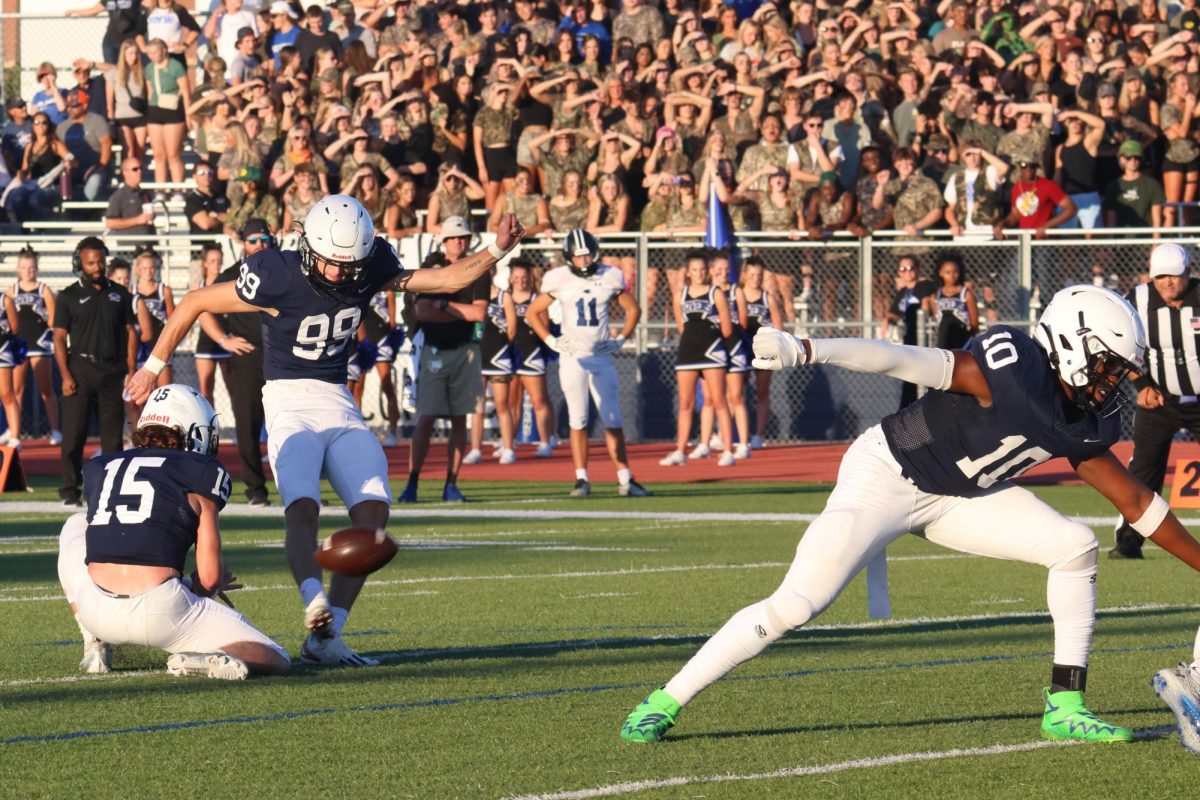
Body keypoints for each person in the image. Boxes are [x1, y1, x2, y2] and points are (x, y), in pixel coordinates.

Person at [620, 284, 1200, 746]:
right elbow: (902, 358)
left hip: (960, 496)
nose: (1113, 381)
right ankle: (665, 699)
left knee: (1074, 544)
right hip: (887, 476)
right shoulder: (1008, 368)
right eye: (1107, 365)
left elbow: (1137, 504)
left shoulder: (1081, 417)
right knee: (796, 604)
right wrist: (806, 347)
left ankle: (1066, 706)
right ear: (1072, 345)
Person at [126, 198, 526, 666]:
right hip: (288, 401)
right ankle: (313, 599)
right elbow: (195, 301)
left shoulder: (369, 261)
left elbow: (444, 279)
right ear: (309, 245)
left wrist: (497, 249)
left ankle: (327, 635)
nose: (340, 273)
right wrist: (154, 366)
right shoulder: (276, 272)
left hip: (339, 399)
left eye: (348, 264)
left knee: (374, 512)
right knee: (302, 508)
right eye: (332, 262)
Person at [56, 383, 289, 679]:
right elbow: (209, 579)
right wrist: (201, 589)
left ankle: (93, 642)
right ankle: (201, 659)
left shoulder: (101, 466)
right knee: (277, 659)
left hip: (94, 608)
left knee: (75, 524)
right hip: (160, 613)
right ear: (192, 430)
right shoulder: (201, 472)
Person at [524, 230, 649, 497]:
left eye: (587, 255)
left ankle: (625, 478)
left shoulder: (610, 275)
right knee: (578, 418)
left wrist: (621, 339)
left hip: (601, 356)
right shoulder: (558, 279)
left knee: (612, 418)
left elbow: (633, 309)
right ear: (569, 256)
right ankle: (581, 478)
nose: (583, 261)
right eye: (578, 256)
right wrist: (551, 341)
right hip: (573, 357)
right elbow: (533, 311)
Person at [1112, 244, 1200, 559]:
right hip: (1159, 401)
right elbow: (1117, 345)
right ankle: (1128, 542)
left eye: (1174, 276)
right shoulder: (1137, 300)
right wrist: (1142, 385)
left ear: (1188, 274)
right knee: (1143, 471)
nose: (1167, 283)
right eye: (1160, 277)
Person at [398, 216, 491, 504]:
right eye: (453, 237)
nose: (458, 242)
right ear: (445, 241)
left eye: (462, 237)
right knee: (425, 418)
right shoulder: (432, 267)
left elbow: (479, 314)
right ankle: (412, 481)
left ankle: (451, 482)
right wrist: (451, 309)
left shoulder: (478, 269)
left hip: (465, 349)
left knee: (459, 418)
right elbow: (423, 310)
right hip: (434, 348)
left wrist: (444, 304)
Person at [54, 237, 138, 507]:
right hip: (79, 370)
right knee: (73, 434)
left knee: (112, 437)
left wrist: (132, 368)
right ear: (80, 263)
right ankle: (70, 490)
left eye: (101, 261)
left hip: (112, 370)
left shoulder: (120, 294)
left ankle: (109, 490)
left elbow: (130, 332)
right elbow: (58, 339)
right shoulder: (68, 295)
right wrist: (66, 376)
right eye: (91, 262)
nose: (97, 266)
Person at [198, 220, 273, 507]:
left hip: (282, 356)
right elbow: (201, 307)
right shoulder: (231, 275)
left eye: (264, 239)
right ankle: (256, 489)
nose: (260, 245)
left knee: (290, 424)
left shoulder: (285, 271)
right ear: (243, 243)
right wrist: (223, 339)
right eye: (254, 240)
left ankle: (298, 488)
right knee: (248, 425)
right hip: (247, 356)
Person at [659, 249, 735, 467]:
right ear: (688, 272)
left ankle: (728, 449)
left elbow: (727, 328)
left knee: (719, 400)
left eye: (703, 270)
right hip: (688, 352)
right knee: (685, 402)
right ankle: (680, 450)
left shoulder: (716, 293)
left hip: (712, 351)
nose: (699, 273)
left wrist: (711, 340)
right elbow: (681, 326)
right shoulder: (679, 295)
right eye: (695, 270)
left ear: (708, 272)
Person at [7, 247, 60, 444]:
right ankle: (15, 432)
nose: (28, 271)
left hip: (39, 344)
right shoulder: (12, 291)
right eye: (24, 268)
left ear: (36, 268)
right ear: (18, 269)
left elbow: (53, 319)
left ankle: (55, 430)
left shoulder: (43, 289)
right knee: (16, 389)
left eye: (31, 268)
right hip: (19, 344)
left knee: (46, 388)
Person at [465, 271, 518, 466]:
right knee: (476, 406)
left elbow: (512, 329)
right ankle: (476, 449)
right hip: (478, 355)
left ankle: (508, 448)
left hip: (499, 357)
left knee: (502, 404)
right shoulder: (471, 296)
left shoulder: (504, 296)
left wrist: (503, 347)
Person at [508, 258, 556, 457]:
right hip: (509, 355)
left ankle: (546, 441)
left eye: (524, 277)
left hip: (531, 353)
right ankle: (508, 443)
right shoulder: (505, 298)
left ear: (530, 277)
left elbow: (544, 328)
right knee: (511, 402)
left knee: (539, 400)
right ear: (510, 278)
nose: (521, 281)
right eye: (517, 277)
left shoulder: (538, 299)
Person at [739, 257, 783, 450]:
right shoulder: (737, 295)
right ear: (745, 275)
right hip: (741, 348)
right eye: (752, 275)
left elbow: (779, 327)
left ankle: (758, 435)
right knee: (736, 393)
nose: (756, 279)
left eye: (759, 275)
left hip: (763, 350)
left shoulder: (768, 298)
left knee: (762, 392)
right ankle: (738, 434)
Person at [881, 255, 937, 409]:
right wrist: (887, 319)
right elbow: (895, 312)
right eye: (903, 269)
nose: (907, 272)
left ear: (917, 269)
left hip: (923, 339)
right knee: (909, 381)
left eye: (911, 268)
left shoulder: (924, 285)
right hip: (908, 339)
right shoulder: (903, 291)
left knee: (920, 380)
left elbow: (928, 305)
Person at [55, 88, 111, 202]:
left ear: (84, 105)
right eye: (68, 106)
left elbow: (106, 143)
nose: (70, 109)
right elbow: (57, 149)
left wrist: (100, 167)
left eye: (74, 105)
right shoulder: (62, 127)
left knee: (94, 181)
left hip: (94, 167)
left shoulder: (96, 120)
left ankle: (86, 212)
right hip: (71, 169)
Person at [191, 243, 230, 408]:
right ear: (205, 263)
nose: (216, 264)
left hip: (227, 338)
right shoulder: (198, 286)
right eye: (212, 261)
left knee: (234, 389)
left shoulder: (228, 283)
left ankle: (242, 433)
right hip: (206, 340)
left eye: (219, 261)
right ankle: (211, 430)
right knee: (206, 390)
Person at [132, 248, 175, 388]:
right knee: (142, 395)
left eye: (152, 268)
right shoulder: (131, 291)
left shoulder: (164, 290)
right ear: (138, 269)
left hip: (159, 344)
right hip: (140, 347)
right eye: (144, 268)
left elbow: (173, 319)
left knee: (164, 391)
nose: (148, 271)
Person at [1102, 140, 1165, 229]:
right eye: (1129, 157)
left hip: (1146, 239)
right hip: (1120, 240)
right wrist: (1111, 241)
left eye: (1137, 157)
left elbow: (1157, 220)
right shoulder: (1114, 186)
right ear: (1121, 159)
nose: (1133, 161)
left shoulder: (1152, 185)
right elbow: (1111, 220)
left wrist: (1156, 242)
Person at [923, 252, 978, 350]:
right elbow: (938, 319)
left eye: (955, 272)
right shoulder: (935, 296)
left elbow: (974, 324)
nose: (952, 276)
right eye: (948, 272)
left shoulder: (966, 294)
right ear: (941, 273)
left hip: (962, 339)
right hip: (944, 341)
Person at [104, 157, 155, 240]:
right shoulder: (119, 196)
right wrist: (137, 220)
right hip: (129, 249)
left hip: (149, 246)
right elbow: (110, 223)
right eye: (135, 169)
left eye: (141, 168)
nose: (140, 172)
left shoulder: (145, 194)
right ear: (125, 172)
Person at [0, 289, 20, 448]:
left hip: (2, 349)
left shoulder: (5, 300)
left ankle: (15, 435)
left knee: (7, 393)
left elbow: (14, 328)